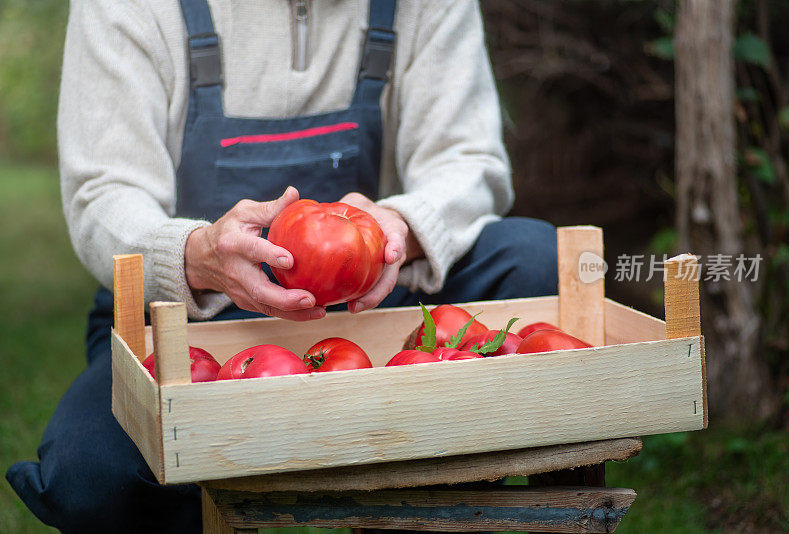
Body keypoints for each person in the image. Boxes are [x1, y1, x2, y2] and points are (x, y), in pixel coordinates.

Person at [6, 0, 558, 532]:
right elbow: (103, 192)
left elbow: (468, 158)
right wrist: (195, 253)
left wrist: (401, 229)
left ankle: (428, 493)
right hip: (186, 312)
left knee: (532, 257)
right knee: (92, 477)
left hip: (373, 302)